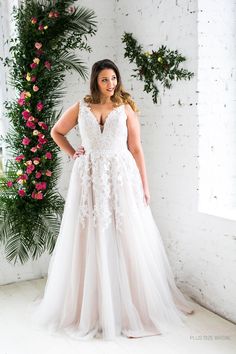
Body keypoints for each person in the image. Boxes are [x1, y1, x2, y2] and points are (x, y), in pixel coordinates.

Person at [30, 58, 194, 340]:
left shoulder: (125, 108)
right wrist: (72, 153)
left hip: (120, 176)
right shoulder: (81, 107)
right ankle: (91, 308)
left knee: (125, 234)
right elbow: (55, 131)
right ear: (95, 81)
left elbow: (136, 148)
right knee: (88, 234)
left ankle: (128, 307)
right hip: (88, 177)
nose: (110, 84)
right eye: (105, 79)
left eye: (114, 79)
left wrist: (145, 185)